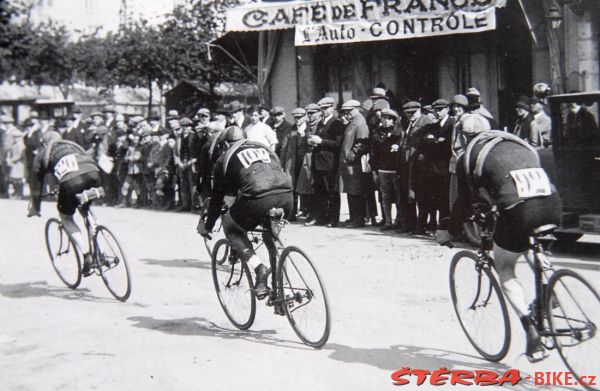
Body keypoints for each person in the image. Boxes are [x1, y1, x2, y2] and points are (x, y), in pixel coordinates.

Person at [435, 129, 562, 363]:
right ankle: (549, 290)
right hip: (553, 204)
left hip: (519, 210)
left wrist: (449, 231)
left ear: (463, 137)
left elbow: (464, 201)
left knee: (505, 267)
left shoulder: (469, 157)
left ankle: (531, 332)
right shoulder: (517, 144)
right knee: (528, 244)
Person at [196, 126, 293, 299]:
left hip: (259, 198)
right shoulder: (264, 147)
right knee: (271, 235)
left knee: (231, 227)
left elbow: (217, 200)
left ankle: (259, 269)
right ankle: (281, 289)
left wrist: (207, 226)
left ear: (225, 144)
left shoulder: (224, 159)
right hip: (286, 196)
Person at [27, 131, 103, 276]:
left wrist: (35, 208)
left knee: (66, 217)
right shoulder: (73, 146)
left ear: (44, 143)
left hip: (70, 181)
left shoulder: (42, 154)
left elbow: (36, 185)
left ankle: (86, 254)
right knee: (85, 205)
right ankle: (98, 238)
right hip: (93, 173)